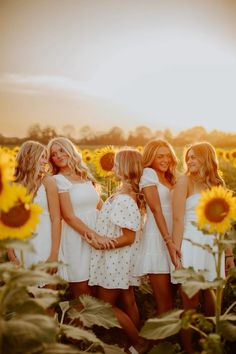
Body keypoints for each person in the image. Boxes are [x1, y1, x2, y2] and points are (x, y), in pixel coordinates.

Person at [172, 141, 234, 353]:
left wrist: (228, 254)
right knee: (190, 303)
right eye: (187, 157)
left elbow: (223, 221)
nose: (189, 161)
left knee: (213, 303)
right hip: (190, 245)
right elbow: (178, 219)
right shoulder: (184, 182)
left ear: (206, 158)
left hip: (213, 247)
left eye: (194, 157)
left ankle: (210, 346)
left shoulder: (217, 184)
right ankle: (188, 350)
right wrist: (176, 253)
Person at [89, 148, 148, 354]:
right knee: (128, 299)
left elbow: (128, 237)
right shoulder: (126, 194)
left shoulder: (125, 199)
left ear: (125, 167)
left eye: (116, 163)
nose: (112, 167)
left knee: (104, 307)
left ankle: (139, 342)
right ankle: (134, 341)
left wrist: (102, 243)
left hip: (115, 259)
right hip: (121, 259)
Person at [47, 137, 113, 300]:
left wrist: (116, 222)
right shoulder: (58, 180)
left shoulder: (84, 175)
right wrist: (96, 236)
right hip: (76, 239)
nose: (58, 156)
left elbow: (100, 205)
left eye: (61, 150)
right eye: (54, 154)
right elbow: (68, 217)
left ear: (70, 150)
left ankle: (93, 326)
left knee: (100, 291)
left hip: (97, 234)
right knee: (83, 295)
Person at [134, 139, 180, 315]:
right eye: (160, 156)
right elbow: (156, 209)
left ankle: (171, 340)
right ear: (150, 158)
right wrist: (168, 242)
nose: (165, 160)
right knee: (164, 304)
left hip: (174, 239)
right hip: (158, 240)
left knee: (174, 301)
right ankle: (151, 342)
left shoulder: (170, 178)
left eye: (168, 156)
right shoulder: (149, 174)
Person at [8, 140, 61, 275]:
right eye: (42, 157)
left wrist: (54, 255)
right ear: (29, 157)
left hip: (46, 242)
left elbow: (56, 219)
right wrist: (11, 253)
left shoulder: (48, 182)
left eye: (46, 157)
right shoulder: (12, 184)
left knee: (47, 293)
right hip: (22, 246)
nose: (45, 161)